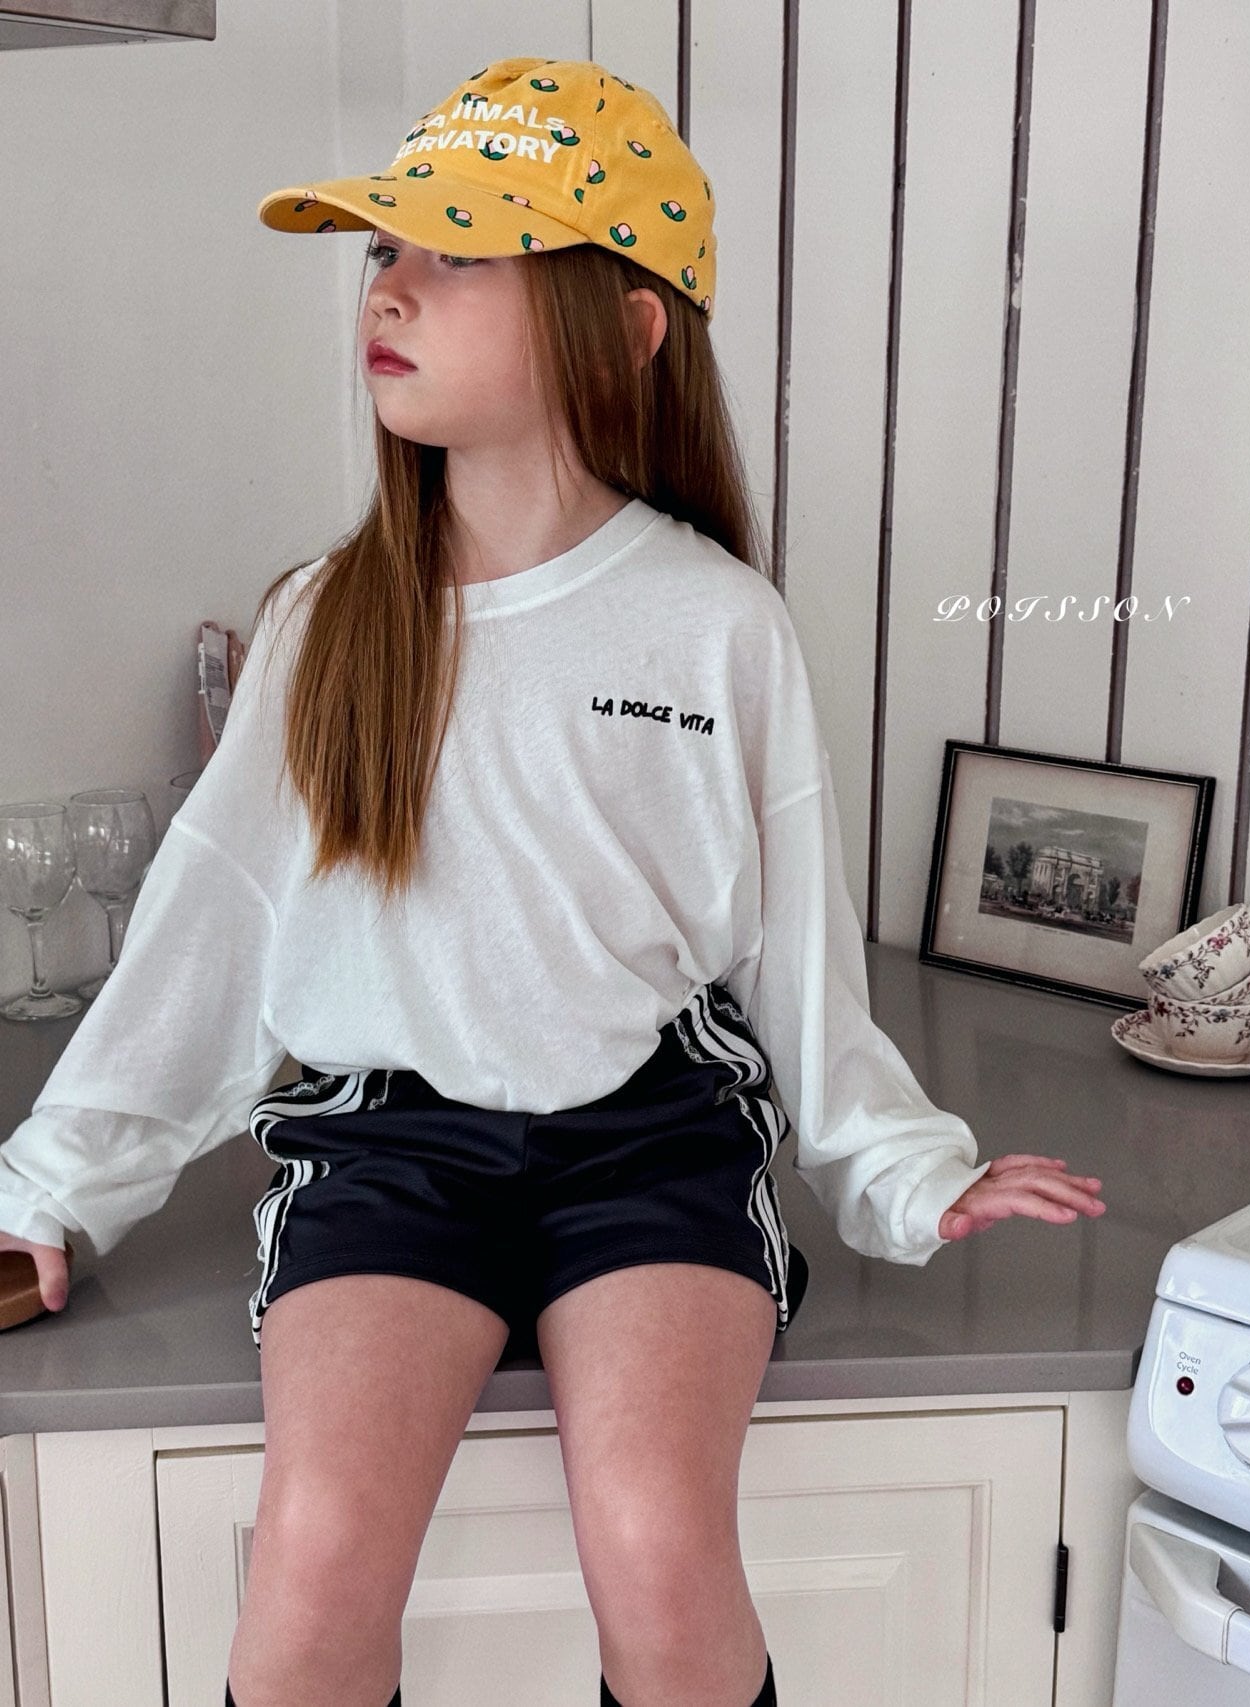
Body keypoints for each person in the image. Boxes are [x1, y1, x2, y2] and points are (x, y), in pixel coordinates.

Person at [0, 55, 1106, 1707]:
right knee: (315, 1557)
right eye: (386, 249)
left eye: (459, 252)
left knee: (659, 1546)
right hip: (388, 1149)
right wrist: (50, 1193)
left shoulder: (718, 625)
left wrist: (899, 1167)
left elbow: (794, 952)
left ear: (627, 323)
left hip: (651, 1147)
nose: (392, 286)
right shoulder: (325, 621)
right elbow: (208, 936)